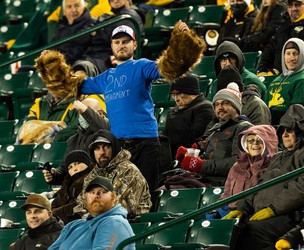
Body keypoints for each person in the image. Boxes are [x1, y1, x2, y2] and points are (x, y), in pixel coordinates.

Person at [76, 21, 206, 192]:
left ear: (135, 44)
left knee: (147, 194)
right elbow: (73, 85)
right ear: (112, 46)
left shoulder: (142, 66)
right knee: (122, 197)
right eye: (117, 42)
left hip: (146, 142)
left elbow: (169, 67)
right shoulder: (106, 77)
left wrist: (182, 41)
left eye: (125, 41)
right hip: (119, 146)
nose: (121, 45)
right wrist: (50, 67)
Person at [224, 104, 304, 250]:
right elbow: (260, 184)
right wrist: (243, 208)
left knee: (253, 231)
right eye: (283, 131)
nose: (285, 135)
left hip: (297, 215)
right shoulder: (278, 156)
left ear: (302, 132)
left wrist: (273, 209)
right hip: (268, 213)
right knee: (232, 230)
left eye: (290, 130)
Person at [176, 83, 253, 186]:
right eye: (217, 104)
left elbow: (239, 162)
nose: (220, 107)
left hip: (226, 182)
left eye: (225, 103)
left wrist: (201, 165)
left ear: (236, 106)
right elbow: (210, 156)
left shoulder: (244, 128)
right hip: (206, 178)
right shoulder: (216, 128)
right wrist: (190, 155)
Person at [74, 129, 152, 218]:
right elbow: (81, 203)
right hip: (97, 221)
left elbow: (121, 207)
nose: (102, 152)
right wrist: (84, 215)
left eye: (106, 147)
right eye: (97, 148)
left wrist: (92, 213)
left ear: (114, 148)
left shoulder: (128, 170)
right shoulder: (92, 174)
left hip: (130, 223)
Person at [206, 125, 278, 219]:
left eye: (260, 140)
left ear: (268, 144)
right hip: (229, 212)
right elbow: (226, 194)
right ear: (245, 144)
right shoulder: (236, 166)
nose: (255, 143)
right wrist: (218, 209)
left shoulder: (273, 167)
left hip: (251, 215)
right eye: (251, 140)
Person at [49, 176, 135, 250]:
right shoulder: (72, 226)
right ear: (85, 198)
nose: (96, 195)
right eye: (92, 192)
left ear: (114, 197)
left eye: (102, 192)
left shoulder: (114, 222)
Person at [17, 50, 82, 144]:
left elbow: (75, 131)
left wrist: (49, 133)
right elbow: (27, 127)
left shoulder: (79, 103)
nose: (52, 79)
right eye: (48, 75)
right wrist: (55, 126)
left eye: (54, 74)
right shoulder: (40, 103)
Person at [43, 97, 109, 185]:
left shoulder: (109, 130)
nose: (82, 115)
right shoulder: (73, 140)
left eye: (85, 111)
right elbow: (64, 170)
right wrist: (54, 174)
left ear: (100, 113)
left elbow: (103, 129)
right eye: (79, 112)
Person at [72, 0, 145, 76]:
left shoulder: (130, 16)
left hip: (111, 60)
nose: (115, 0)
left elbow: (117, 39)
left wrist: (98, 31)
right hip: (94, 57)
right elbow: (82, 36)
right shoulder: (109, 17)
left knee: (81, 70)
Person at [257, 0, 304, 76]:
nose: (293, 8)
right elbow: (270, 49)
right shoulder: (283, 26)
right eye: (290, 5)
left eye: (297, 4)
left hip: (302, 76)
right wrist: (263, 69)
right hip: (279, 77)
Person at [164, 74, 214, 160]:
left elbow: (195, 138)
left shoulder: (205, 108)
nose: (176, 99)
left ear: (193, 93)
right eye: (173, 95)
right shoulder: (173, 111)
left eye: (180, 94)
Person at [266, 38, 304, 125]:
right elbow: (265, 106)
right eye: (288, 54)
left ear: (302, 56)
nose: (291, 58)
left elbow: (295, 110)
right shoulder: (276, 80)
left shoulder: (303, 80)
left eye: (295, 54)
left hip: (287, 126)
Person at [51, 150, 94, 224]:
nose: (75, 168)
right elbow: (55, 204)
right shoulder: (67, 183)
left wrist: (58, 212)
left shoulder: (94, 179)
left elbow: (82, 204)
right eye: (70, 167)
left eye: (77, 163)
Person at [49, 0, 93, 65]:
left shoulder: (91, 26)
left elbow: (77, 53)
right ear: (64, 11)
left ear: (84, 7)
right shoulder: (61, 25)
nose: (73, 10)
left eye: (77, 6)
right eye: (69, 7)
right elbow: (52, 47)